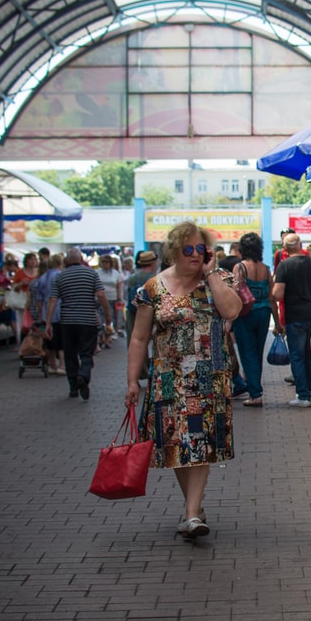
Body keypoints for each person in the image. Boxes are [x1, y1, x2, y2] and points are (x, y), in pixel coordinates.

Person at [125, 221, 242, 539]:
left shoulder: (217, 279)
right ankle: (193, 508)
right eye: (188, 249)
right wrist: (133, 381)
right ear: (174, 251)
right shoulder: (152, 289)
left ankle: (191, 514)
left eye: (200, 248)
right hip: (168, 381)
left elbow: (232, 311)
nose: (195, 254)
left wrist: (211, 274)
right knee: (177, 447)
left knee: (200, 444)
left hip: (208, 378)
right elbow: (139, 338)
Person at [271, 233, 311, 408]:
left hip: (294, 315)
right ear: (300, 245)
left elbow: (277, 294)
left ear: (285, 248)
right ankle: (309, 392)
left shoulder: (284, 266)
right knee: (308, 355)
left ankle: (303, 394)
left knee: (297, 356)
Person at [44, 248, 112, 401]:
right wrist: (107, 315)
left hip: (67, 321)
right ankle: (84, 373)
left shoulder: (60, 276)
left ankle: (73, 387)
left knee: (70, 354)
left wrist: (48, 323)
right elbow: (100, 294)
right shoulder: (91, 274)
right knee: (87, 352)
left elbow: (53, 300)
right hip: (88, 320)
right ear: (81, 259)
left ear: (67, 261)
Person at [231, 233, 280, 408]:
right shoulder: (266, 269)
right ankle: (255, 388)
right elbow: (272, 297)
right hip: (264, 312)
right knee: (257, 352)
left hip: (246, 313)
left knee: (247, 352)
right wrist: (278, 322)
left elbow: (236, 290)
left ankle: (255, 394)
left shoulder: (240, 267)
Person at [30, 253, 65, 375]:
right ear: (60, 263)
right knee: (61, 340)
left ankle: (52, 365)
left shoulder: (42, 278)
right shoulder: (61, 276)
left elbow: (38, 299)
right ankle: (62, 365)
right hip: (60, 310)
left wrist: (41, 315)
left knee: (49, 339)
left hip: (46, 312)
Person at [123, 250, 159, 343]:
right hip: (152, 312)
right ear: (153, 263)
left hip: (133, 311)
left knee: (134, 340)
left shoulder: (133, 277)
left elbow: (128, 295)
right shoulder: (156, 278)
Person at [96, 255, 123, 345]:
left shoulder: (116, 273)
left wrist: (119, 298)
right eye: (103, 262)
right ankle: (101, 336)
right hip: (99, 299)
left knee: (110, 318)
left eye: (106, 262)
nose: (104, 264)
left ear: (110, 263)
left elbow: (119, 287)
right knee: (100, 318)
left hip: (112, 298)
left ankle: (108, 337)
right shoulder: (97, 272)